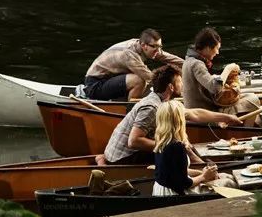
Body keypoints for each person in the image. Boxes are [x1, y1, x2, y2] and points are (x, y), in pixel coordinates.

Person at [98, 64, 242, 165]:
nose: (183, 85)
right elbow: (134, 141)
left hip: (124, 153)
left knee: (180, 145)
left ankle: (202, 165)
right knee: (177, 149)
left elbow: (195, 114)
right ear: (171, 87)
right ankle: (200, 170)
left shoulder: (165, 102)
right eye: (180, 82)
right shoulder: (151, 107)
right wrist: (170, 147)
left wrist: (227, 117)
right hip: (123, 158)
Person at [82, 28, 183, 101]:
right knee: (139, 80)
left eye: (160, 47)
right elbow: (150, 77)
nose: (159, 51)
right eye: (155, 47)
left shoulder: (146, 46)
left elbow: (169, 58)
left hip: (110, 79)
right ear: (144, 45)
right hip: (95, 85)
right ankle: (130, 111)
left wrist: (188, 65)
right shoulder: (129, 54)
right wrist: (175, 87)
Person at [182, 27, 261, 119]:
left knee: (247, 95)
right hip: (203, 112)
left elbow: (206, 81)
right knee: (253, 99)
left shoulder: (189, 60)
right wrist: (228, 69)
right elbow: (215, 88)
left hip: (199, 109)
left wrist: (219, 77)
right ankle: (245, 131)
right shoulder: (197, 64)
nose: (218, 52)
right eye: (217, 48)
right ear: (208, 48)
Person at [152, 100, 219, 196]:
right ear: (179, 120)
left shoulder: (161, 141)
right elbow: (183, 183)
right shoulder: (176, 147)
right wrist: (204, 176)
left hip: (161, 190)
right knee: (227, 184)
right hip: (173, 194)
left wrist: (202, 173)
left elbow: (176, 172)